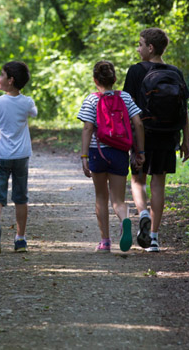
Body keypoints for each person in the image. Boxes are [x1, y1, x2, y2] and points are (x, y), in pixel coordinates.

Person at [123, 27, 189, 253]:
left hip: (142, 135)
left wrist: (126, 139)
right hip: (168, 135)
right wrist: (186, 140)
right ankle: (153, 238)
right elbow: (184, 110)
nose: (138, 49)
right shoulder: (175, 72)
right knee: (159, 183)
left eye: (140, 44)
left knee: (138, 180)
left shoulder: (135, 71)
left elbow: (128, 107)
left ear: (150, 48)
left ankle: (143, 213)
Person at [77, 61, 145, 253]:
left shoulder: (92, 100)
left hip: (98, 152)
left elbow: (88, 128)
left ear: (95, 80)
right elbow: (138, 123)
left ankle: (105, 242)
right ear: (114, 79)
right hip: (119, 152)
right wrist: (140, 152)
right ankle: (124, 219)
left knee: (101, 196)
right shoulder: (125, 97)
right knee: (118, 200)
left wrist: (84, 156)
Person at [0, 61, 38, 255]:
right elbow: (34, 113)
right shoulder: (27, 102)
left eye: (2, 75)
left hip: (1, 155)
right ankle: (20, 239)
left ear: (10, 80)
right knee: (21, 197)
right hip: (21, 156)